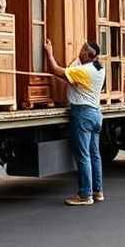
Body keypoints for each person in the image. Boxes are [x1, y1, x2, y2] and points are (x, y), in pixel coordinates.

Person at [44, 39, 106, 206]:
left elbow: (56, 70)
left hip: (83, 114)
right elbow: (76, 69)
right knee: (94, 155)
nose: (80, 50)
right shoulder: (99, 68)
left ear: (88, 54)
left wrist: (49, 52)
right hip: (96, 114)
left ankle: (85, 195)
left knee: (83, 156)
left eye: (83, 49)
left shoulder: (83, 71)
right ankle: (97, 191)